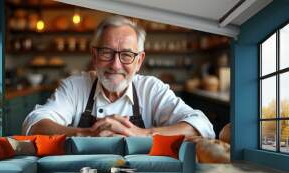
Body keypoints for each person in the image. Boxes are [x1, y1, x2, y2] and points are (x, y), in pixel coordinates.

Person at [22, 15, 215, 138]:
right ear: (95, 56)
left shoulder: (151, 89)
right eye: (107, 52)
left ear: (139, 61)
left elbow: (201, 125)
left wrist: (143, 134)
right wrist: (85, 133)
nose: (115, 65)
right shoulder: (75, 87)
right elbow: (34, 123)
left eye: (126, 55)